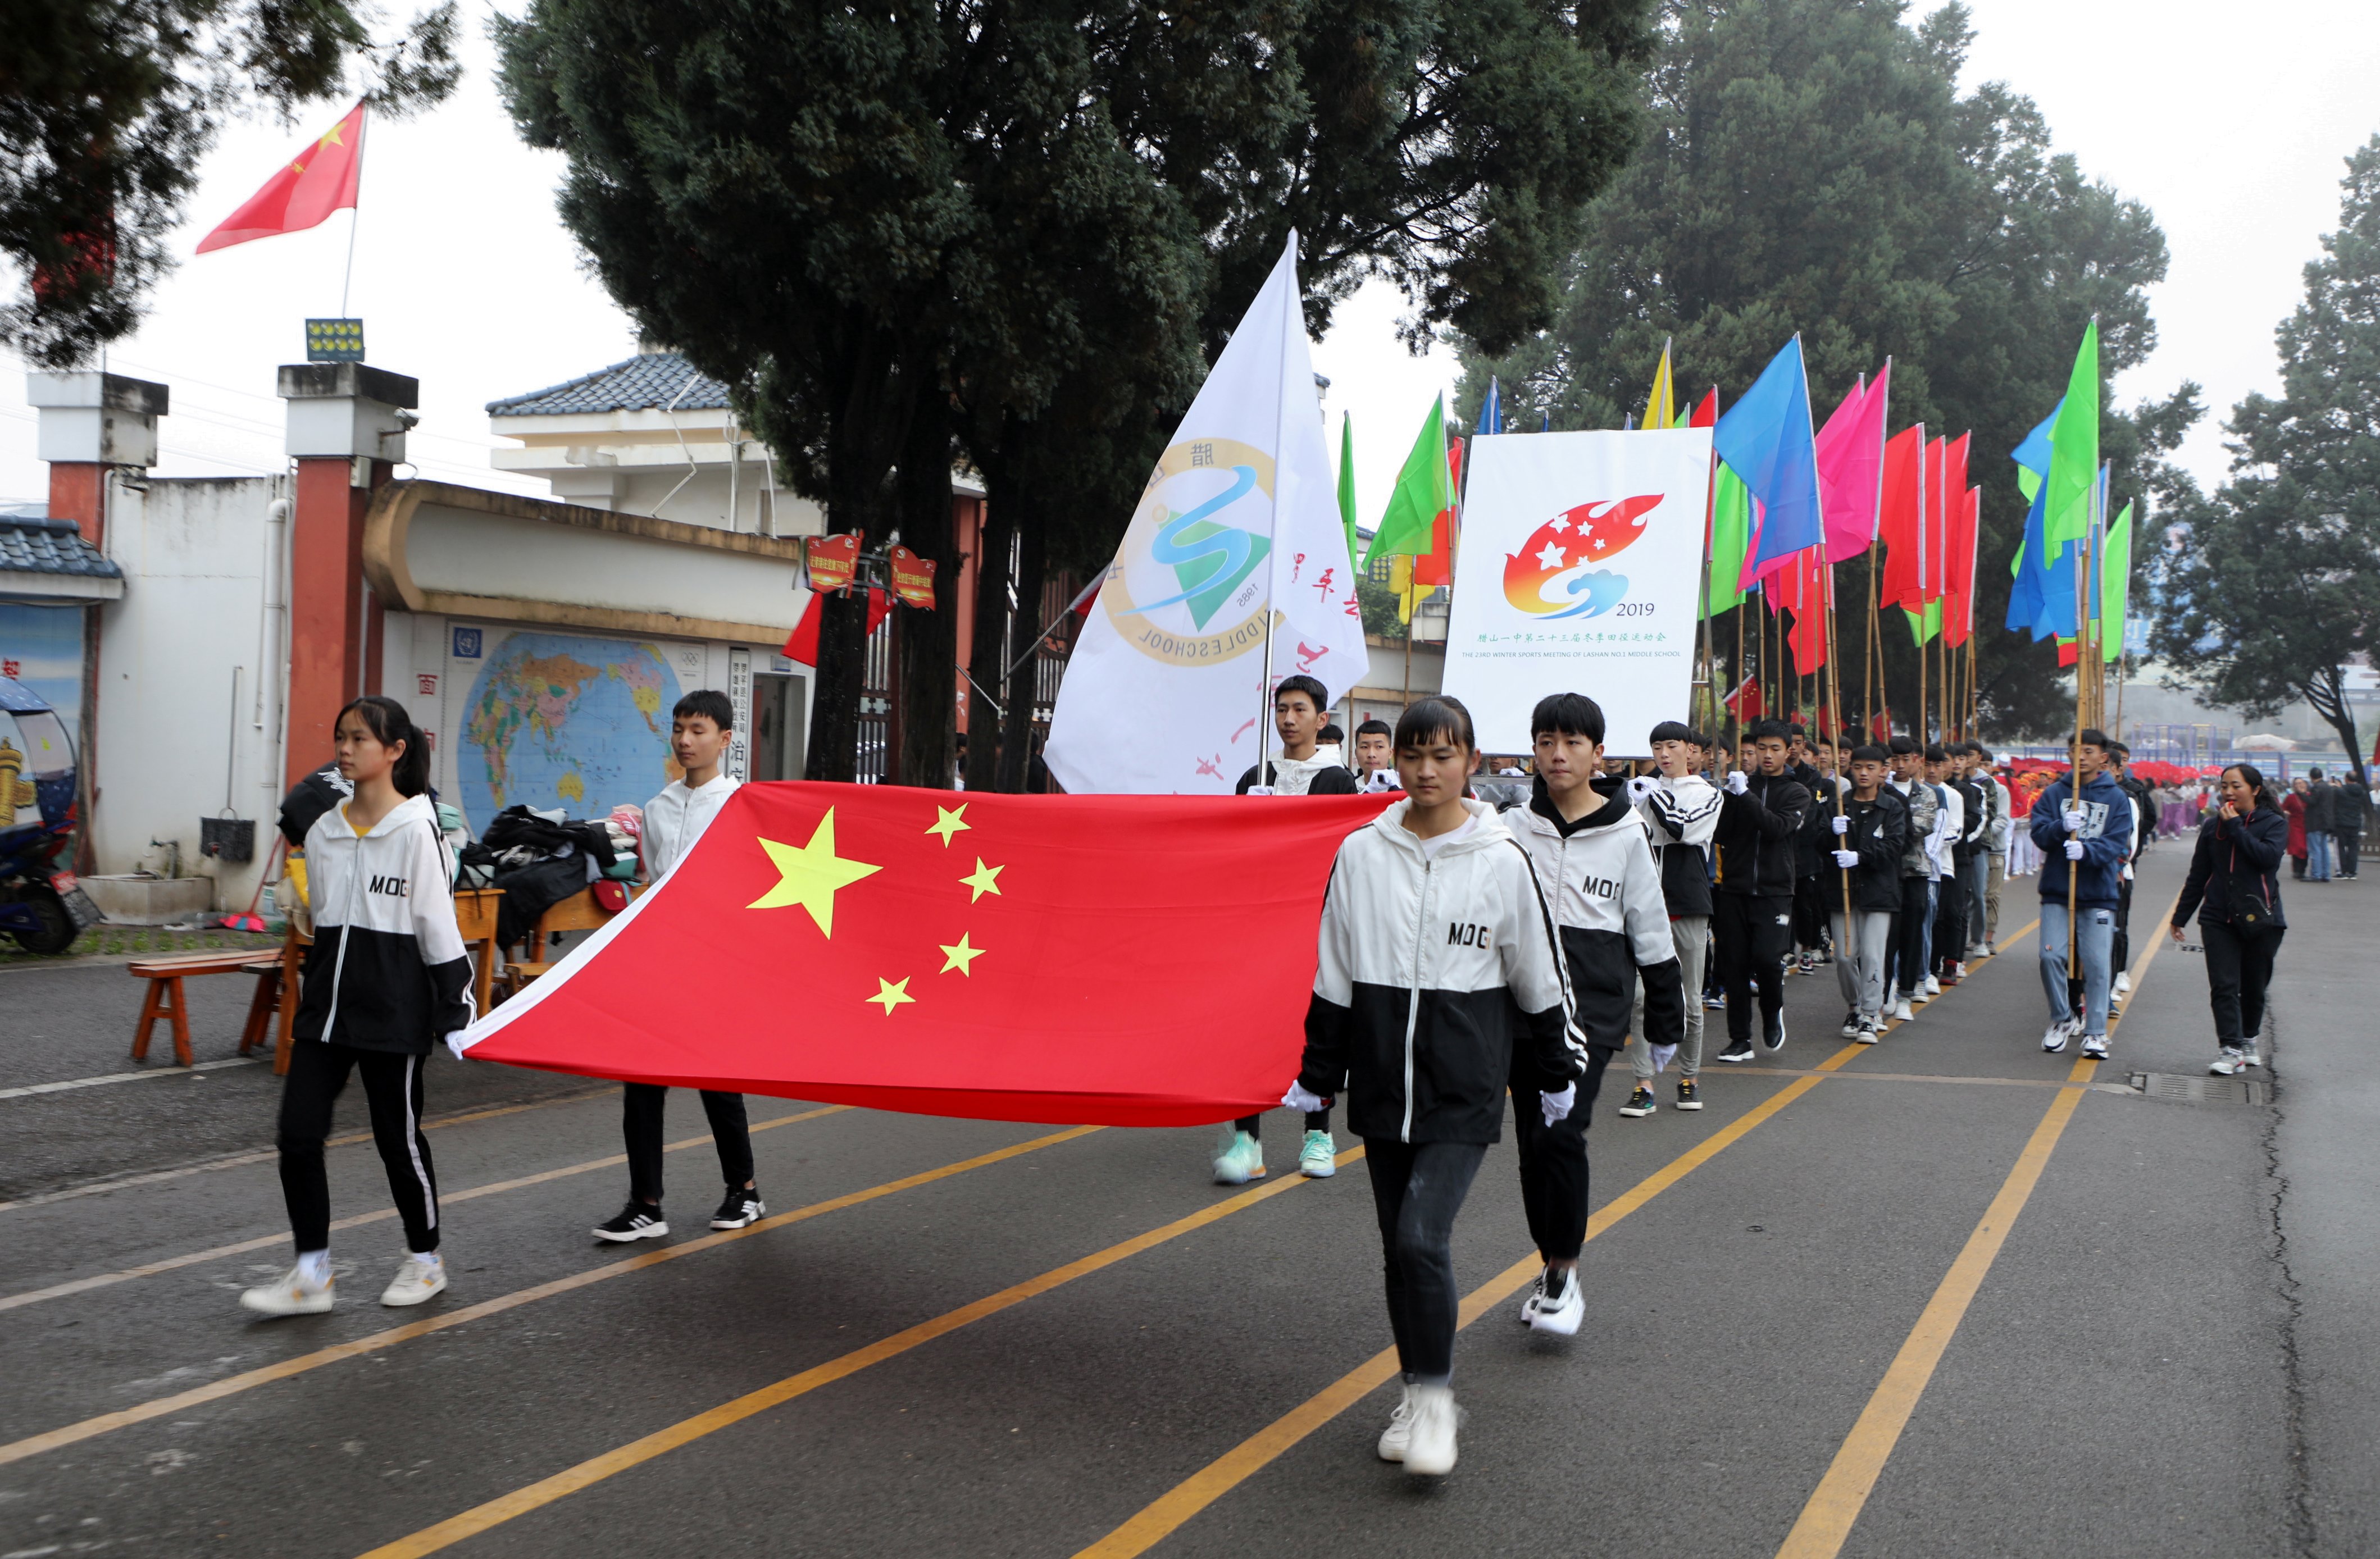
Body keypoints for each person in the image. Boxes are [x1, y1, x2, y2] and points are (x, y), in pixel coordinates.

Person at [1282, 695, 1580, 1477]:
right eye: (1412, 755)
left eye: (1442, 756)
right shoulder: (1359, 853)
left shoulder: (1501, 858)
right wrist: (1318, 1075)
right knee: (1398, 1250)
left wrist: (1554, 1072)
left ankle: (1439, 1404)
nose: (1424, 770)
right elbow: (1335, 972)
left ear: (1470, 762)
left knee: (1422, 1237)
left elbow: (1538, 978)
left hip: (1464, 1086)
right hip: (1382, 1083)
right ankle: (1415, 1394)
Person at [241, 697, 471, 1317]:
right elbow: (319, 922)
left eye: (360, 739)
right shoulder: (324, 832)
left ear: (395, 751)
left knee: (397, 1141)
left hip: (393, 1014)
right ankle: (311, 1274)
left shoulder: (418, 833)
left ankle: (426, 1262)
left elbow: (437, 928)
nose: (345, 749)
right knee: (297, 1135)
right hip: (325, 1014)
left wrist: (456, 1009)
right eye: (341, 737)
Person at [1507, 695, 1681, 1329]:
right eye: (1546, 740)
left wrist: (1665, 1019)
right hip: (1519, 1008)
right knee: (1532, 1143)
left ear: (1597, 753)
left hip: (1591, 1009)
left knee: (1562, 1132)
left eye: (1573, 742)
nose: (1558, 753)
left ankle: (1565, 1274)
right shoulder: (1508, 825)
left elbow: (1651, 929)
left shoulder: (1627, 830)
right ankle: (1550, 1261)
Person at [593, 691, 764, 1242]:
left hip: (718, 968)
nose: (686, 740)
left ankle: (745, 1190)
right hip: (661, 966)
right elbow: (652, 885)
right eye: (678, 729)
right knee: (640, 1083)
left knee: (718, 1085)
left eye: (698, 730)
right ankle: (645, 1204)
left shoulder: (745, 805)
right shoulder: (658, 808)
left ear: (725, 739)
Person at [1218, 674, 1358, 1184]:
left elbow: (1346, 852)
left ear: (1321, 720)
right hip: (1256, 922)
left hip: (1314, 923)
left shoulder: (1338, 781)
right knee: (1249, 1028)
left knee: (1313, 1029)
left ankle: (1317, 1135)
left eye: (1299, 709)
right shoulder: (1255, 775)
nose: (1288, 718)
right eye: (1281, 708)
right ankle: (1246, 1141)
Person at [1627, 721, 1721, 1111]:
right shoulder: (1643, 790)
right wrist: (1633, 799)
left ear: (1689, 750)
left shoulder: (1709, 794)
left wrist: (1653, 796)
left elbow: (1682, 830)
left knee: (1689, 998)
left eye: (1671, 746)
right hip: (1645, 900)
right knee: (1639, 997)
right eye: (1656, 748)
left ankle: (1689, 1077)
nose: (1663, 755)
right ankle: (1643, 1084)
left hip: (1688, 899)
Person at [2173, 764, 2288, 1076]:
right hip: (2217, 917)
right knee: (2224, 985)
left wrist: (2237, 827)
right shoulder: (2212, 827)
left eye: (2236, 786)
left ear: (2255, 790)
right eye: (2224, 786)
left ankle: (2249, 1039)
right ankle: (2230, 1049)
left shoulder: (2274, 824)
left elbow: (2266, 858)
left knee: (2254, 986)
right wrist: (2181, 915)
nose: (2228, 792)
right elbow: (2199, 875)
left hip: (2262, 920)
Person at [1708, 719, 1810, 1060]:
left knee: (1767, 960)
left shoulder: (1796, 792)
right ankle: (1740, 1040)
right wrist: (1730, 798)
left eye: (1775, 749)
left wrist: (1746, 797)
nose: (1767, 756)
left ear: (1788, 751)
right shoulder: (1737, 788)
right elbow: (1720, 833)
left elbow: (1775, 828)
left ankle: (1772, 1011)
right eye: (1761, 749)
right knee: (1734, 965)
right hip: (1734, 889)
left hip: (1774, 891)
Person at [2032, 729, 2131, 1059]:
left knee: (2098, 964)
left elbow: (2118, 842)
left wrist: (2087, 851)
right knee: (2050, 956)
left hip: (2098, 893)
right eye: (2076, 749)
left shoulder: (2116, 797)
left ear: (2104, 757)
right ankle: (2062, 1018)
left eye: (2089, 750)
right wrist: (2060, 827)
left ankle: (2096, 1032)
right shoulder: (2054, 793)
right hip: (2058, 891)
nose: (2082, 755)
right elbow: (2039, 833)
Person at [1823, 744, 1909, 1041]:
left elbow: (1896, 846)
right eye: (1858, 767)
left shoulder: (1893, 807)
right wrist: (1829, 831)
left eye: (1871, 768)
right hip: (1843, 891)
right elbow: (1817, 843)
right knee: (1846, 957)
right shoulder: (1838, 803)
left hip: (1879, 893)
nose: (1863, 773)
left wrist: (1861, 856)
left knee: (1873, 956)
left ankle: (1871, 1014)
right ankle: (1854, 1004)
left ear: (1883, 771)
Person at [1881, 737, 1940, 1024]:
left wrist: (1891, 815)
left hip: (1914, 871)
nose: (1900, 765)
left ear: (1917, 760)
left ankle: (1906, 993)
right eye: (1894, 759)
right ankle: (1882, 992)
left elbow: (1920, 828)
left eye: (1906, 759)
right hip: (1884, 872)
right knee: (1885, 937)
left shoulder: (1927, 794)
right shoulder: (1878, 790)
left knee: (1912, 935)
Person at [1787, 726, 1832, 975]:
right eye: (1789, 742)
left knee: (1805, 903)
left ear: (1805, 746)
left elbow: (1811, 808)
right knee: (1784, 902)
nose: (1793, 747)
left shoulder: (1813, 776)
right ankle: (1785, 951)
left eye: (1798, 743)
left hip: (1806, 848)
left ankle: (1806, 949)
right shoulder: (1777, 772)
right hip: (1781, 847)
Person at [2302, 766, 2335, 881]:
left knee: (2315, 849)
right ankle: (2325, 874)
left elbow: (2312, 801)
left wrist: (2303, 794)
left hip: (2315, 822)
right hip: (2326, 822)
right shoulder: (2327, 787)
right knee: (2324, 848)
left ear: (2311, 777)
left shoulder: (2316, 788)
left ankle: (2316, 874)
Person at [1353, 718, 1394, 787]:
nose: (1371, 754)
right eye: (1365, 747)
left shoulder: (1406, 791)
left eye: (1379, 747)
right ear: (1356, 753)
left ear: (1390, 753)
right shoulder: (1347, 789)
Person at [2284, 777, 2309, 880]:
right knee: (2297, 848)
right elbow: (2283, 808)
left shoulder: (2309, 796)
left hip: (2307, 825)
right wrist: (2286, 812)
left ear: (2305, 785)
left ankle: (2303, 870)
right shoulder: (2291, 797)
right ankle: (2297, 870)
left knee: (2305, 849)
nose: (2299, 785)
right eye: (2296, 784)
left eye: (2301, 783)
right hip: (2295, 825)